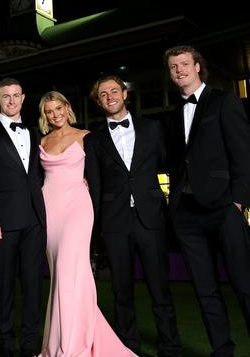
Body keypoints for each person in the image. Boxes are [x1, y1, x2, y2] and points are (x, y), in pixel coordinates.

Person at [84, 75, 183, 356]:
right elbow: (94, 185)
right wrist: (95, 229)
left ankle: (171, 346)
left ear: (125, 94)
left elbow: (171, 166)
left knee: (160, 289)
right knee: (121, 290)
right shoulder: (93, 141)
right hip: (114, 223)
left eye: (114, 91)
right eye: (103, 94)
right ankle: (127, 345)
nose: (110, 96)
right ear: (98, 101)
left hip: (151, 218)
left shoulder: (152, 128)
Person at [164, 45, 250, 356]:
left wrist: (237, 202)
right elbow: (176, 163)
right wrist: (174, 205)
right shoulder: (173, 116)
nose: (179, 70)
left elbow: (243, 154)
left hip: (223, 207)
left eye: (185, 64)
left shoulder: (224, 101)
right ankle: (221, 350)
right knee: (205, 290)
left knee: (244, 284)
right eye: (174, 66)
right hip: (186, 215)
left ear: (198, 66)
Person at [37, 90, 136, 357]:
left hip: (78, 209)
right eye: (49, 111)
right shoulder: (42, 141)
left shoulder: (86, 138)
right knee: (60, 275)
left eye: (59, 108)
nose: (55, 114)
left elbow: (98, 177)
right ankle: (62, 339)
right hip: (50, 210)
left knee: (70, 271)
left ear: (67, 108)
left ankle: (72, 346)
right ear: (44, 115)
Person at [0, 77, 46, 357]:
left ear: (23, 98)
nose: (12, 101)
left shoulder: (36, 132)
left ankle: (29, 344)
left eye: (16, 95)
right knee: (3, 286)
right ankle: (5, 344)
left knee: (33, 285)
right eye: (6, 96)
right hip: (2, 222)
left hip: (35, 221)